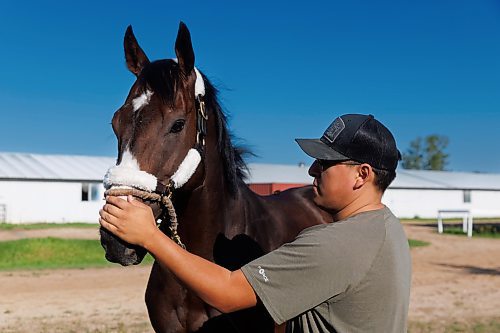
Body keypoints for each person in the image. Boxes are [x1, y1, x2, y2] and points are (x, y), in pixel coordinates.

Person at [99, 113, 411, 333]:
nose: (312, 170)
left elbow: (229, 293)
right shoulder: (385, 227)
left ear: (362, 174)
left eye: (326, 163)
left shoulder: (336, 244)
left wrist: (151, 236)